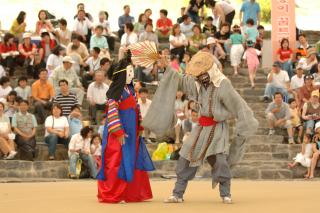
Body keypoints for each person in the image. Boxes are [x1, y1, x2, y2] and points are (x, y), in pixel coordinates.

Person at [142, 51, 258, 204]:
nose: (198, 77)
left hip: (217, 128)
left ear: (210, 71)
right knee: (185, 157)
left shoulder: (223, 84)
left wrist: (244, 126)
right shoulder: (196, 82)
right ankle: (177, 194)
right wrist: (167, 67)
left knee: (220, 160)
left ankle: (225, 194)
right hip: (201, 126)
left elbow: (239, 106)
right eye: (197, 75)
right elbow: (179, 79)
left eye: (201, 74)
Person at [97, 53, 155, 203]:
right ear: (121, 74)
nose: (132, 74)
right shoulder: (116, 93)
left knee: (131, 160)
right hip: (120, 134)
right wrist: (118, 132)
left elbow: (136, 110)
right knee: (117, 161)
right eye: (129, 72)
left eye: (132, 71)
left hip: (132, 133)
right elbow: (112, 112)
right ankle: (116, 192)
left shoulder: (131, 91)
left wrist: (140, 126)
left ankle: (129, 193)